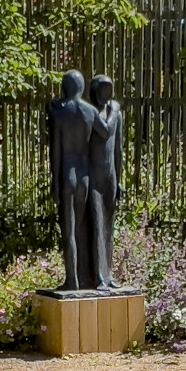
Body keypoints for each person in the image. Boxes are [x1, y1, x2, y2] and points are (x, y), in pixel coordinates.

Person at [47, 71, 97, 289]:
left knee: (68, 229)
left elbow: (56, 152)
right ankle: (85, 276)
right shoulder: (91, 111)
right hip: (85, 175)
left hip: (67, 174)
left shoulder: (60, 114)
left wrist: (54, 182)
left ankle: (72, 280)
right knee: (81, 229)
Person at [87, 75, 123, 290]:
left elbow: (117, 148)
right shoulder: (91, 113)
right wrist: (115, 110)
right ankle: (98, 276)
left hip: (109, 176)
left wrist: (118, 179)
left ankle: (108, 275)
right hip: (92, 175)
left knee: (108, 228)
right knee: (96, 225)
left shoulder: (115, 113)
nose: (107, 94)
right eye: (103, 89)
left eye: (110, 89)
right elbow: (106, 130)